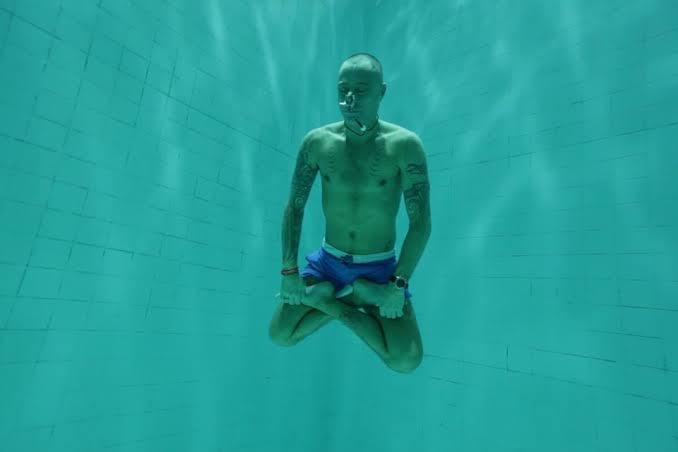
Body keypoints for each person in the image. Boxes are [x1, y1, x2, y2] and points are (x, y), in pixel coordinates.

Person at [268, 53, 431, 374]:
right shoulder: (317, 142)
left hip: (380, 269)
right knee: (281, 334)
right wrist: (289, 272)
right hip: (328, 263)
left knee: (406, 360)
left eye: (361, 90)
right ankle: (350, 298)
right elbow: (295, 206)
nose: (350, 98)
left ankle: (334, 299)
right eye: (343, 90)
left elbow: (421, 223)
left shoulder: (404, 145)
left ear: (381, 92)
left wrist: (397, 286)